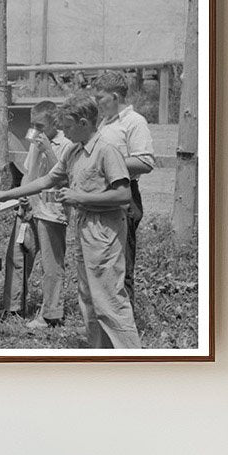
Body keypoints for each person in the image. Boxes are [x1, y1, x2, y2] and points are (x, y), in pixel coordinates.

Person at [0, 95, 140, 349]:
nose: (64, 131)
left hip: (105, 231)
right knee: (89, 298)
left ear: (84, 123)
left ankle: (130, 358)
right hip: (84, 229)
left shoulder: (106, 149)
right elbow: (47, 180)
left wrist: (78, 196)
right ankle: (100, 354)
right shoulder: (74, 150)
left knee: (110, 301)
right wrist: (7, 194)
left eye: (68, 126)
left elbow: (123, 195)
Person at [1, 101, 71, 329]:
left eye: (41, 125)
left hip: (52, 211)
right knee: (18, 255)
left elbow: (64, 177)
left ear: (55, 122)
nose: (36, 130)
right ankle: (12, 308)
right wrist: (22, 196)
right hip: (31, 207)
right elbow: (28, 172)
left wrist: (48, 151)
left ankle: (51, 314)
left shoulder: (66, 144)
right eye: (33, 125)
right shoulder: (34, 142)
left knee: (51, 266)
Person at [94, 70, 155, 306]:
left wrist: (105, 161)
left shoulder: (134, 122)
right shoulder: (106, 122)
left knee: (122, 264)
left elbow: (146, 162)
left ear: (116, 96)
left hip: (124, 197)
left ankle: (126, 326)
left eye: (101, 98)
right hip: (103, 196)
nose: (97, 103)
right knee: (104, 260)